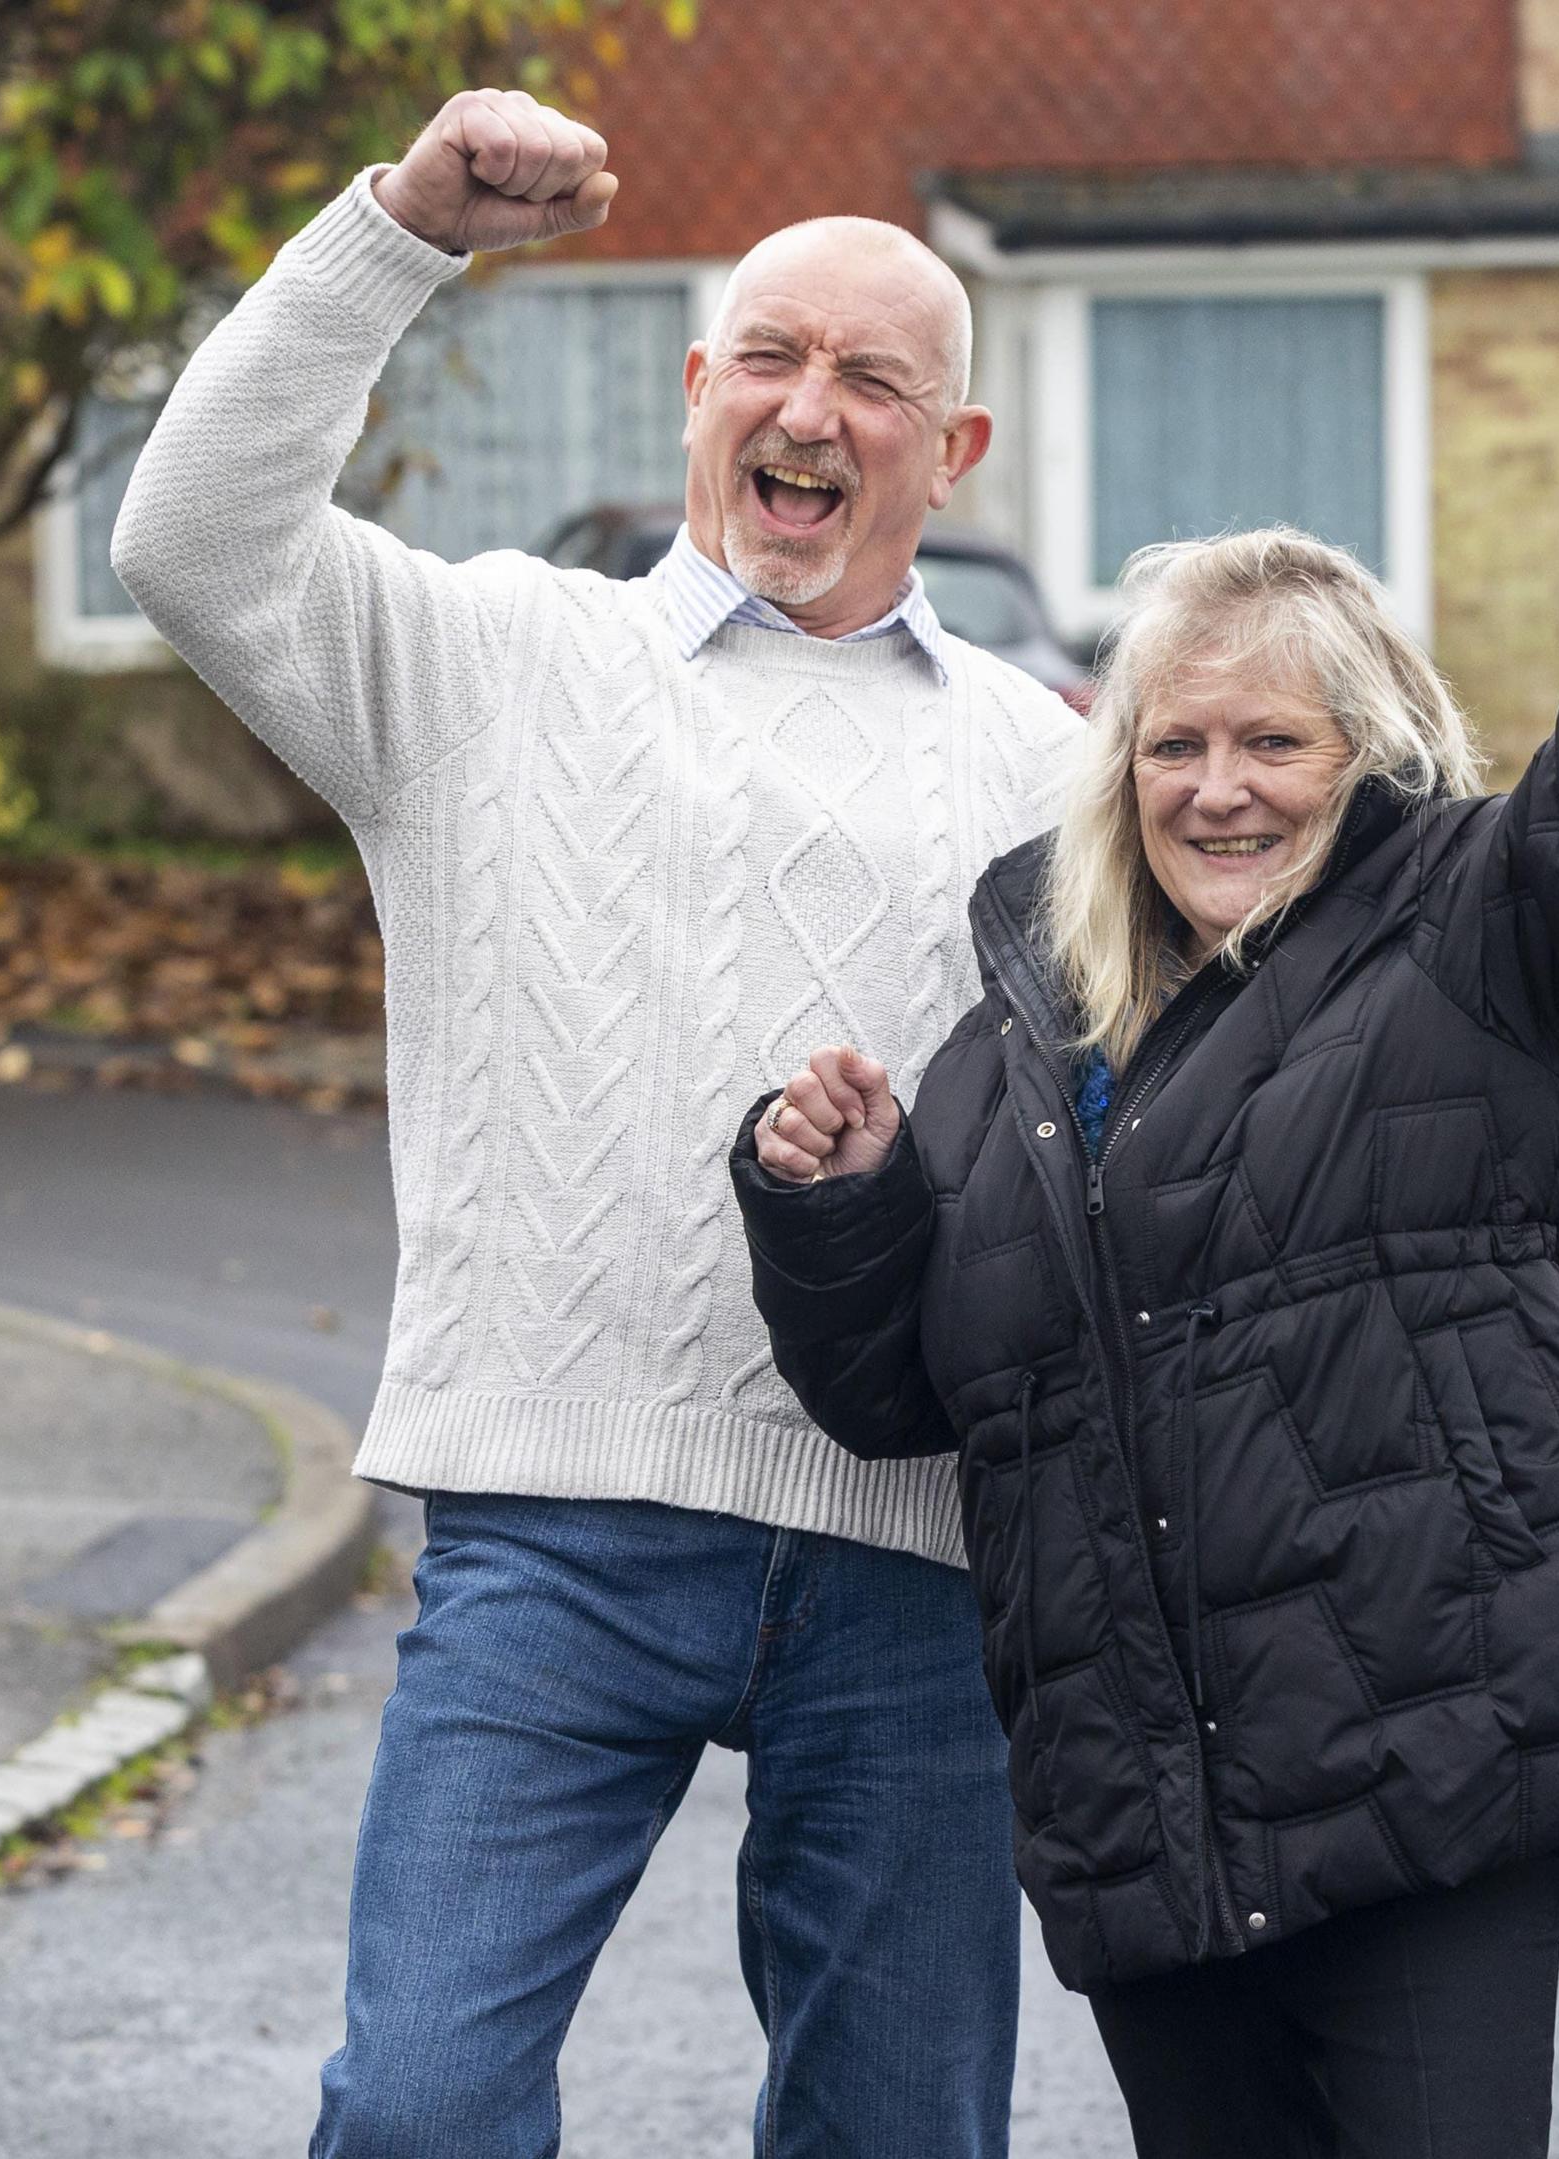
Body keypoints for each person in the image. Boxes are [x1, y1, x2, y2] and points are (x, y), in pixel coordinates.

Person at [729, 323, 1559, 2155]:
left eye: (1275, 741)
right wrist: (838, 1202)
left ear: (1367, 759)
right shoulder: (1027, 1051)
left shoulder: (1484, 940)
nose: (1221, 789)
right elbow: (904, 1394)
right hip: (1153, 1830)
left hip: (1433, 1770)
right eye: (1175, 745)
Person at [106, 88, 1081, 2159]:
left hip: (914, 1562)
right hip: (558, 1525)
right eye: (771, 359)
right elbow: (185, 541)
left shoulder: (1045, 771)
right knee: (423, 2111)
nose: (809, 409)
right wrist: (399, 230)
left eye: (873, 379)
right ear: (698, 392)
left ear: (956, 451)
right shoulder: (482, 665)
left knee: (901, 2136)